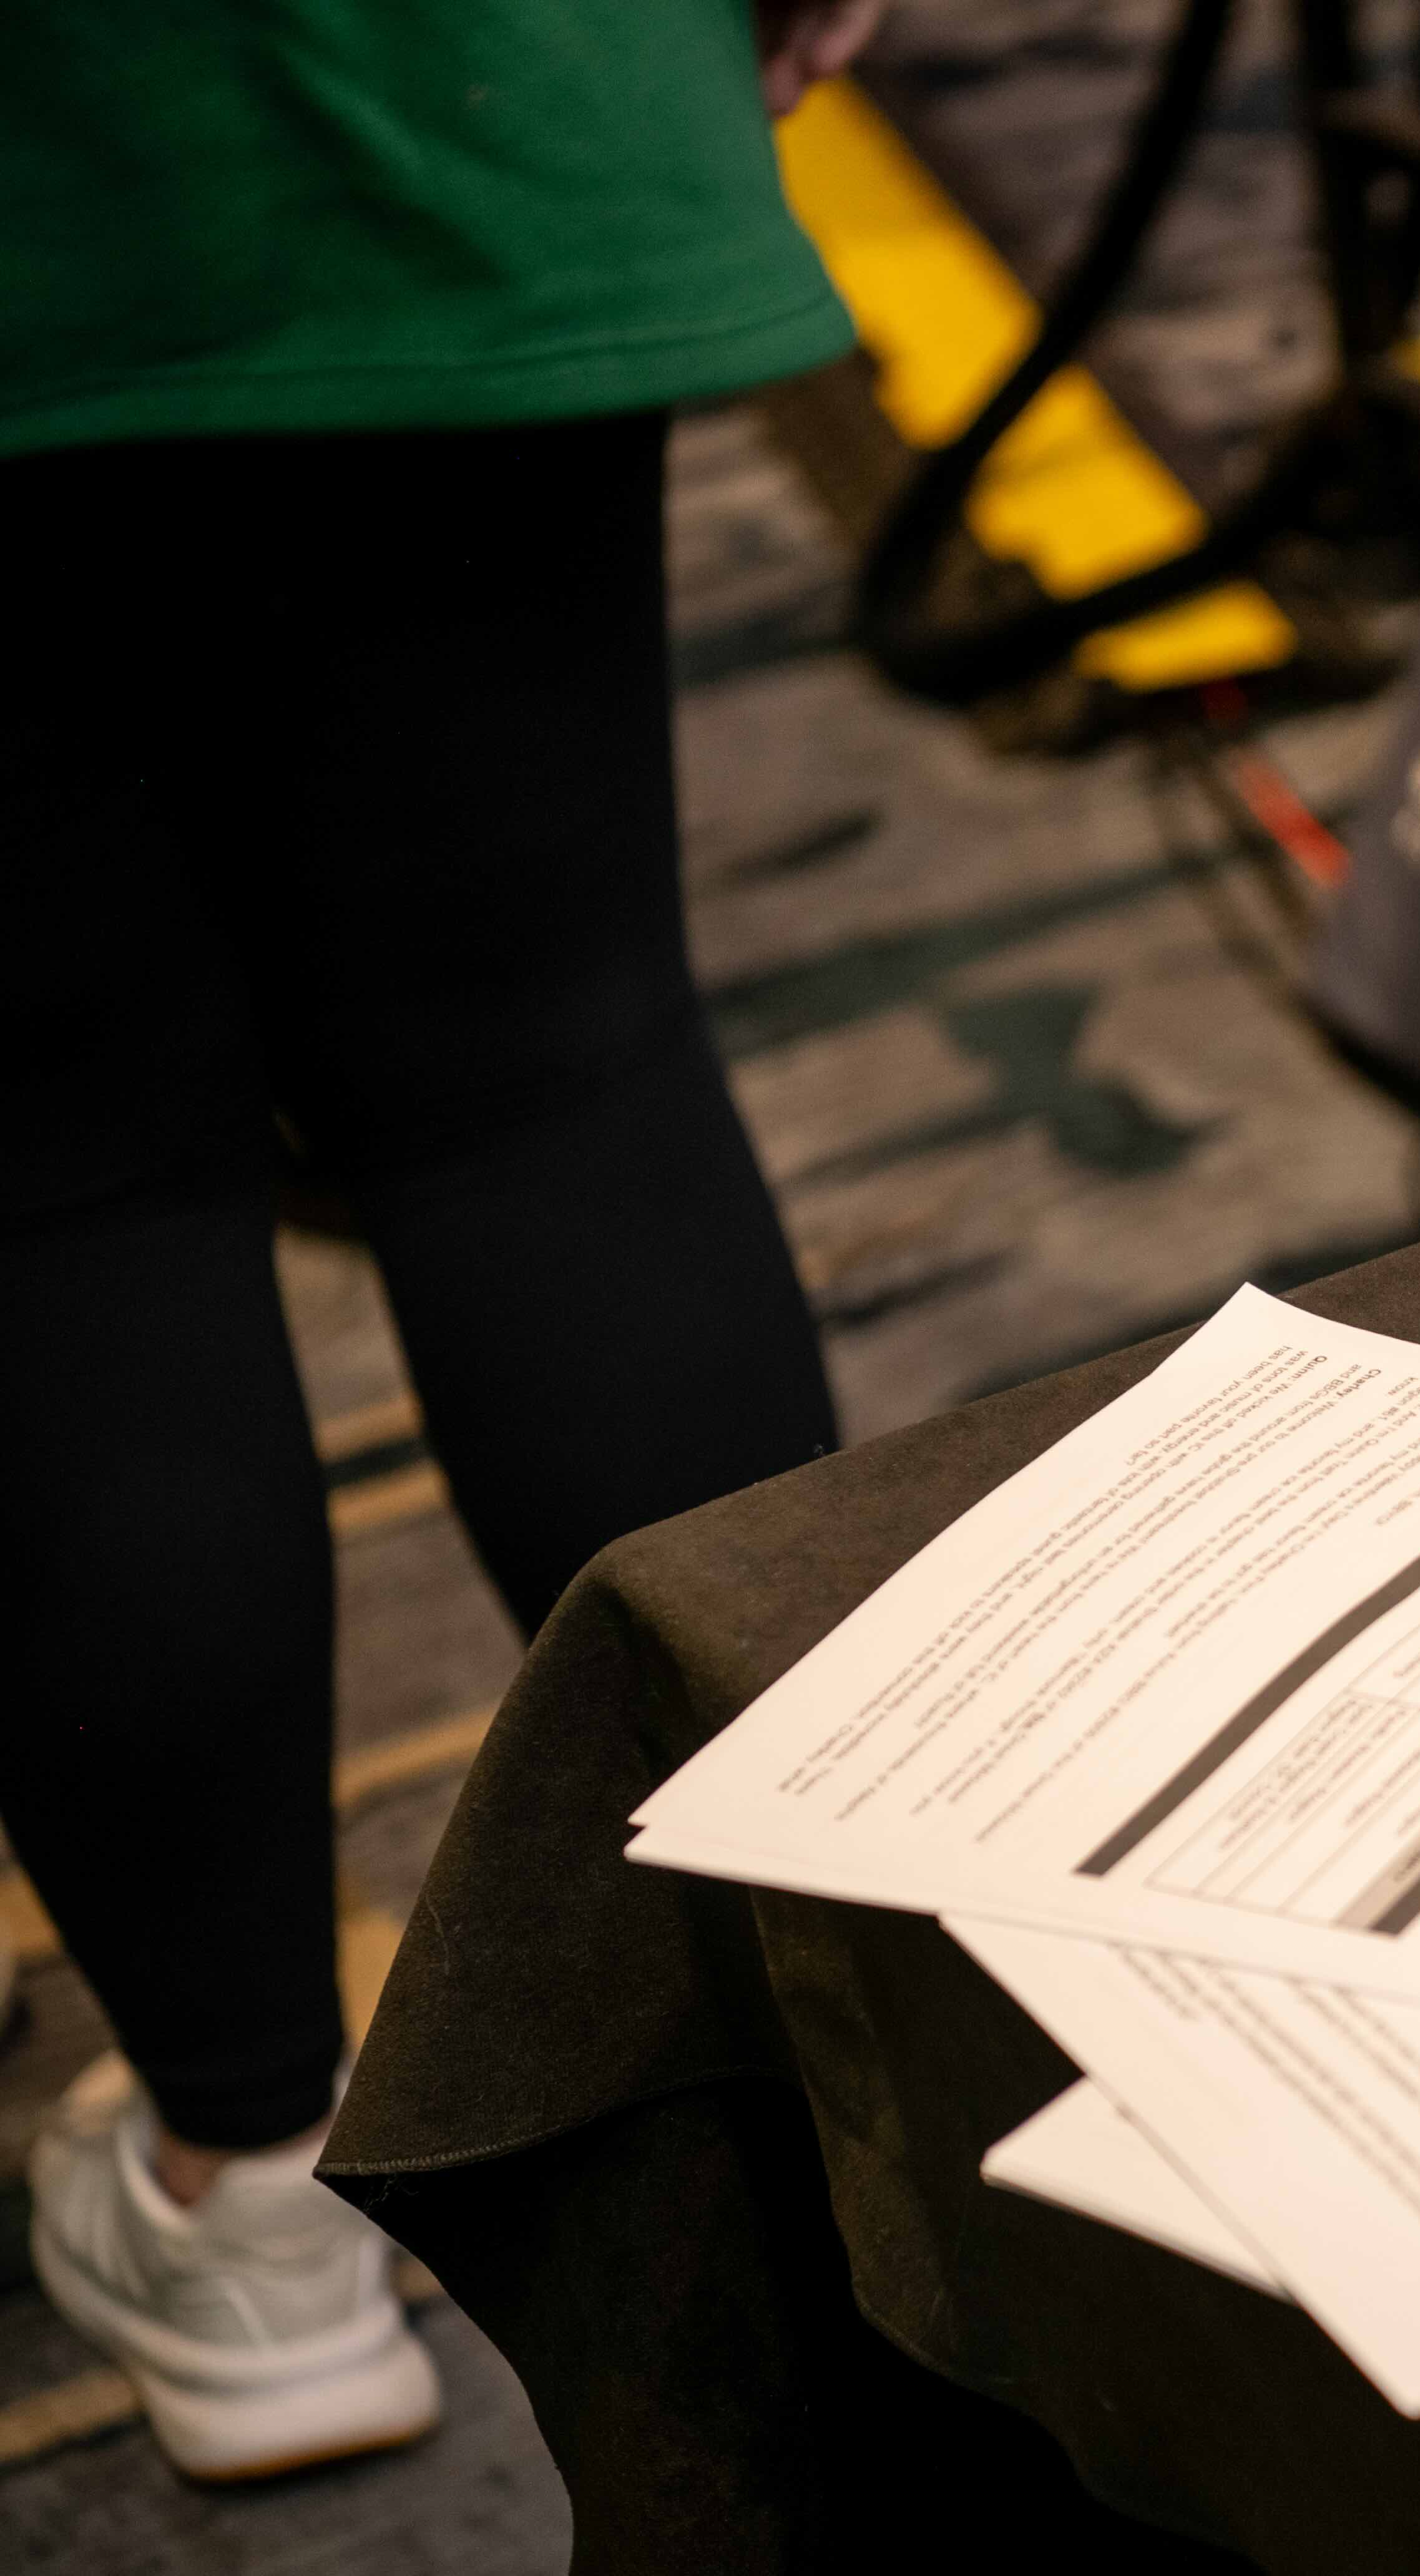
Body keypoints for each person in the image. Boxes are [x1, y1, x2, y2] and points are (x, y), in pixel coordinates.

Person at [1, 0, 881, 2481]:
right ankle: (825, 2076)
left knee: (63, 1181)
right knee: (551, 1080)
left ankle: (252, 2205)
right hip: (452, 76)